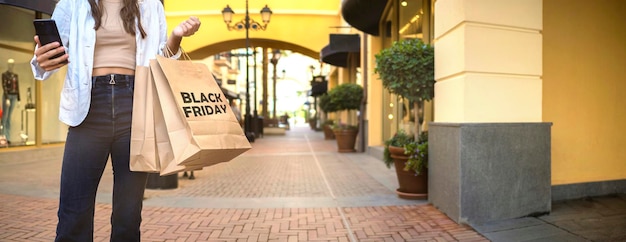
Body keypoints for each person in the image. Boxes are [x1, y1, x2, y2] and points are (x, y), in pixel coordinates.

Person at [30, 0, 200, 241]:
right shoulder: (72, 4)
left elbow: (163, 63)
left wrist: (175, 37)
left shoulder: (151, 5)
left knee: (128, 215)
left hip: (135, 107)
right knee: (73, 212)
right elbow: (48, 59)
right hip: (87, 109)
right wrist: (42, 59)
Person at [2, 58, 20, 143]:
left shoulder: (15, 76)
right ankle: (2, 136)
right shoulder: (4, 75)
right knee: (4, 117)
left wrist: (19, 99)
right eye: (9, 64)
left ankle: (8, 137)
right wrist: (6, 98)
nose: (10, 66)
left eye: (12, 64)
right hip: (8, 96)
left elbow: (17, 87)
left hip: (14, 96)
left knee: (9, 117)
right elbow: (4, 86)